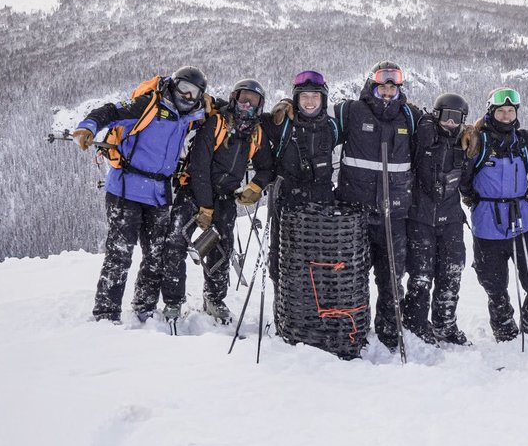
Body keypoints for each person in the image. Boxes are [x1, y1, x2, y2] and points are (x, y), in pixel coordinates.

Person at [72, 67, 209, 324]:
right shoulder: (148, 104)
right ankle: (106, 312)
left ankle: (144, 307)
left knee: (156, 254)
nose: (188, 97)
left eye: (194, 93)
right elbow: (111, 111)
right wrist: (88, 126)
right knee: (120, 253)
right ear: (173, 85)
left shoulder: (189, 116)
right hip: (126, 189)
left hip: (158, 194)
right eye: (184, 89)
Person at [161, 78, 273, 325]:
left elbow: (267, 166)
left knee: (221, 250)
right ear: (234, 98)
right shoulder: (217, 122)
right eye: (244, 98)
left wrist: (256, 186)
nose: (247, 105)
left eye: (253, 101)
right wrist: (205, 206)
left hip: (225, 197)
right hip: (193, 190)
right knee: (176, 242)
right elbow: (199, 166)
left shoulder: (256, 133)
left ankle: (214, 298)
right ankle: (173, 300)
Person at [335, 61, 422, 349]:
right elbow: (317, 120)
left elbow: (439, 135)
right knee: (353, 277)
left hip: (394, 212)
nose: (386, 89)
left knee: (392, 278)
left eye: (392, 84)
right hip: (355, 211)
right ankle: (354, 330)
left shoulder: (410, 117)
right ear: (373, 85)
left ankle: (388, 331)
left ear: (399, 87)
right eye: (382, 84)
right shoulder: (352, 111)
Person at [463, 87, 528, 342]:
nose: (505, 115)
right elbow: (463, 178)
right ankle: (504, 331)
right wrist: (474, 200)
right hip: (487, 224)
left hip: (522, 222)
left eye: (510, 111)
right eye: (500, 111)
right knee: (494, 286)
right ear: (491, 112)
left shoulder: (524, 140)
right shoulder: (478, 140)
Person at [403, 92, 471, 346]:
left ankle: (445, 324)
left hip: (451, 217)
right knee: (421, 274)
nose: (450, 123)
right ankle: (416, 323)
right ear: (436, 114)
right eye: (446, 116)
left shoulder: (465, 143)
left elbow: (469, 178)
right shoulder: (423, 133)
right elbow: (406, 110)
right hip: (420, 215)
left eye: (457, 118)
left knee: (451, 272)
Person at [263, 70, 341, 288]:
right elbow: (247, 118)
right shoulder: (282, 124)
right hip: (287, 205)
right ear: (296, 99)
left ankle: (316, 313)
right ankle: (285, 310)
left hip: (322, 205)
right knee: (284, 263)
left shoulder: (332, 127)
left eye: (315, 96)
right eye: (304, 96)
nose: (309, 102)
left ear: (323, 99)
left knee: (321, 263)